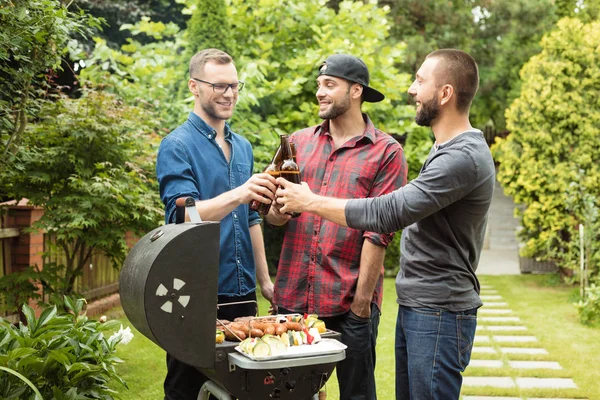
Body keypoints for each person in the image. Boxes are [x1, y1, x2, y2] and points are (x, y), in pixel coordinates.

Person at [276, 49, 495, 400]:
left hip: (439, 308)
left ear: (445, 94)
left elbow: (387, 213)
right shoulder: (445, 150)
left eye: (420, 81)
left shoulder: (461, 157)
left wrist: (310, 201)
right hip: (422, 304)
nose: (411, 89)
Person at [266, 54, 408, 400]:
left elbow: (379, 233)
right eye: (319, 85)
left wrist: (361, 306)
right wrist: (279, 210)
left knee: (357, 395)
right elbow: (271, 215)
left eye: (329, 85)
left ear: (356, 91)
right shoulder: (296, 143)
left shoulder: (386, 153)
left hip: (348, 306)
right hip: (292, 302)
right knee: (286, 395)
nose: (320, 93)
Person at [156, 48, 277, 400]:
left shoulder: (243, 147)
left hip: (242, 294)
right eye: (219, 86)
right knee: (187, 390)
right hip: (194, 294)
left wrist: (265, 282)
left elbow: (250, 217)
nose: (229, 94)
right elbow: (184, 216)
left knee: (242, 389)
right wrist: (240, 193)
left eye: (235, 86)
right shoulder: (177, 145)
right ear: (194, 87)